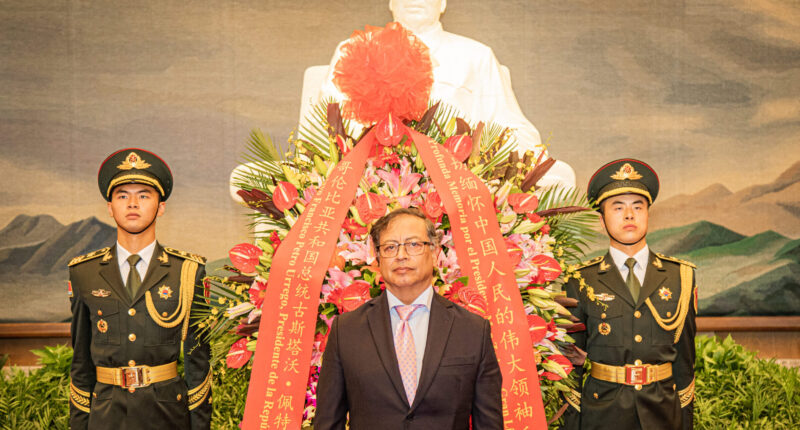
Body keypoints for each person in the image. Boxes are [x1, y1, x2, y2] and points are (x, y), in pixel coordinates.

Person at [312, 0, 576, 188]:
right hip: (374, 172)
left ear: (443, 3)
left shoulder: (475, 55)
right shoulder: (355, 49)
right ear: (390, 2)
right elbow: (327, 123)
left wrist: (497, 159)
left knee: (558, 175)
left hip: (459, 175)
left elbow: (509, 124)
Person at [315, 208, 502, 429]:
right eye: (390, 247)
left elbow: (489, 424)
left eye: (413, 244)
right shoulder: (346, 331)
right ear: (378, 258)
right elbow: (328, 422)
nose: (401, 255)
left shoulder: (472, 330)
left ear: (434, 253)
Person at [68, 148, 211, 429]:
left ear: (161, 207)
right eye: (122, 196)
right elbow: (80, 365)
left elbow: (199, 365)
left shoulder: (187, 271)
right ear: (110, 207)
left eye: (144, 195)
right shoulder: (84, 272)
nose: (132, 203)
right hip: (105, 417)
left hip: (167, 416)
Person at [561, 159, 696, 430]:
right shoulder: (579, 280)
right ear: (602, 220)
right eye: (618, 207)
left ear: (648, 215)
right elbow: (569, 367)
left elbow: (685, 364)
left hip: (662, 414)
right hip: (602, 415)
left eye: (638, 206)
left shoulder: (680, 276)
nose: (629, 215)